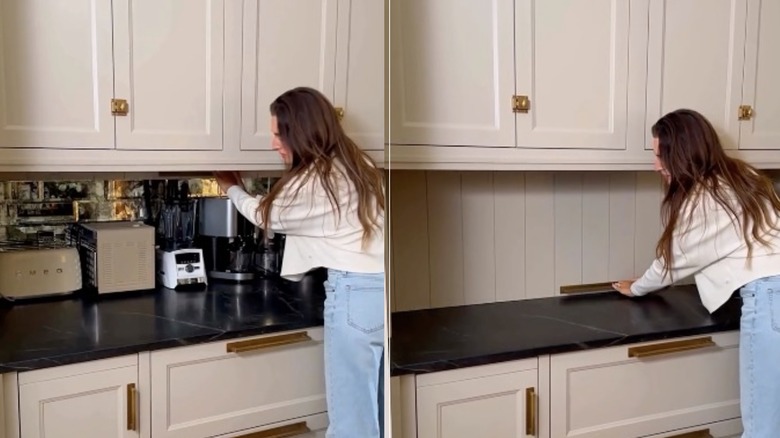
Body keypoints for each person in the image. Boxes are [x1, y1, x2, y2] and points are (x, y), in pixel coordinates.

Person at [213, 87, 386, 438]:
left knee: (352, 425)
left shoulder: (317, 180)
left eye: (279, 134)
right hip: (384, 293)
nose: (273, 143)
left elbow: (268, 215)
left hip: (353, 297)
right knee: (379, 417)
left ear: (301, 132)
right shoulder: (358, 163)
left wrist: (231, 186)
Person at [611, 109, 780, 437]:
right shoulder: (744, 177)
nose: (655, 164)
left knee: (764, 429)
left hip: (770, 299)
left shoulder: (705, 198)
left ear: (682, 152)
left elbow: (671, 262)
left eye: (661, 155)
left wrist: (637, 288)